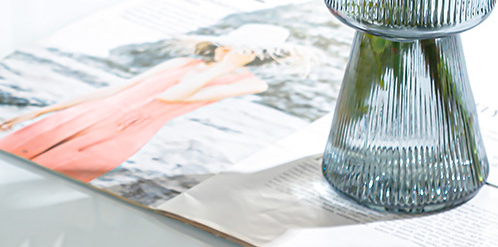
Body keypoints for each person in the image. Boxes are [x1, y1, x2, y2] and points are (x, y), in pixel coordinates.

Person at [0, 24, 290, 183]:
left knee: (47, 179)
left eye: (234, 48)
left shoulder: (252, 83)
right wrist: (42, 110)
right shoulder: (182, 62)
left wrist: (225, 67)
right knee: (12, 152)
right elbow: (117, 89)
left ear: (253, 54)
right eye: (225, 44)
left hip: (125, 133)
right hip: (88, 114)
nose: (223, 50)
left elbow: (172, 96)